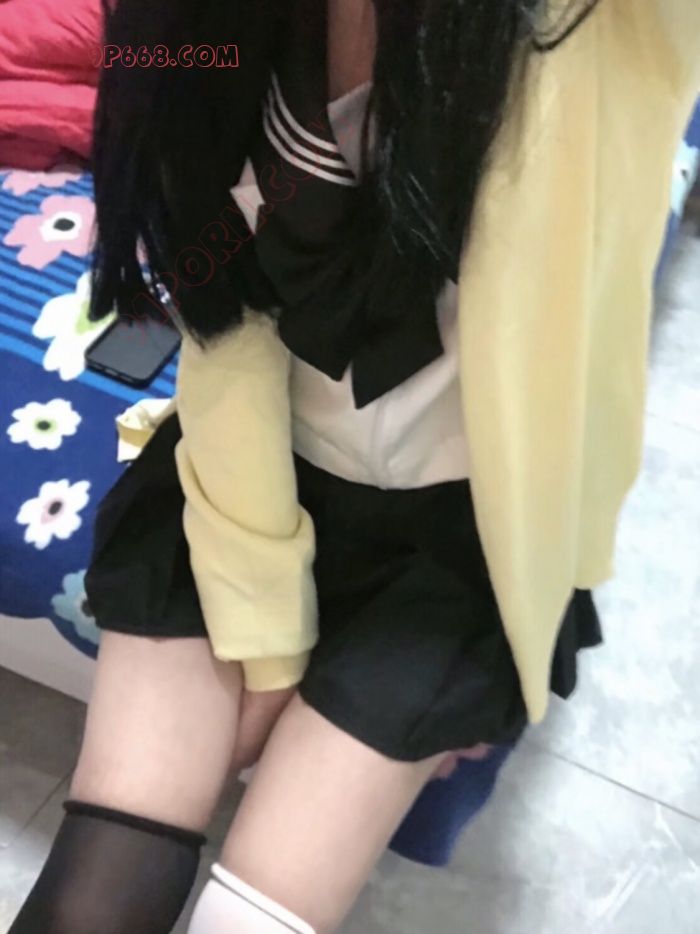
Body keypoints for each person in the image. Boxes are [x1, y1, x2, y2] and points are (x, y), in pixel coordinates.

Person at [10, 1, 700, 932]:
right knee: (89, 903)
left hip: (457, 538)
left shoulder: (597, 28)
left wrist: (520, 622)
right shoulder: (200, 26)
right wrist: (268, 641)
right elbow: (225, 325)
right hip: (247, 480)